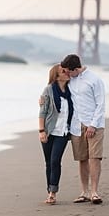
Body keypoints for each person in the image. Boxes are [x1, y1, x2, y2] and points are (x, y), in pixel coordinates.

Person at [60, 54, 106, 205]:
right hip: (76, 124)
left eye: (68, 71)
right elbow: (56, 88)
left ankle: (94, 192)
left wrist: (93, 124)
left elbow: (101, 104)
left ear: (76, 69)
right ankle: (84, 192)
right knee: (82, 158)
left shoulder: (94, 79)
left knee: (95, 158)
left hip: (94, 124)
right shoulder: (70, 80)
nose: (66, 73)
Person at [38, 64, 74, 205]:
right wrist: (41, 131)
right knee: (48, 163)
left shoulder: (72, 90)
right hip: (48, 131)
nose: (67, 73)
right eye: (63, 71)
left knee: (55, 161)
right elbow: (43, 112)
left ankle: (53, 192)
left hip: (63, 133)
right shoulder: (48, 90)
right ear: (56, 76)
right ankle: (50, 191)